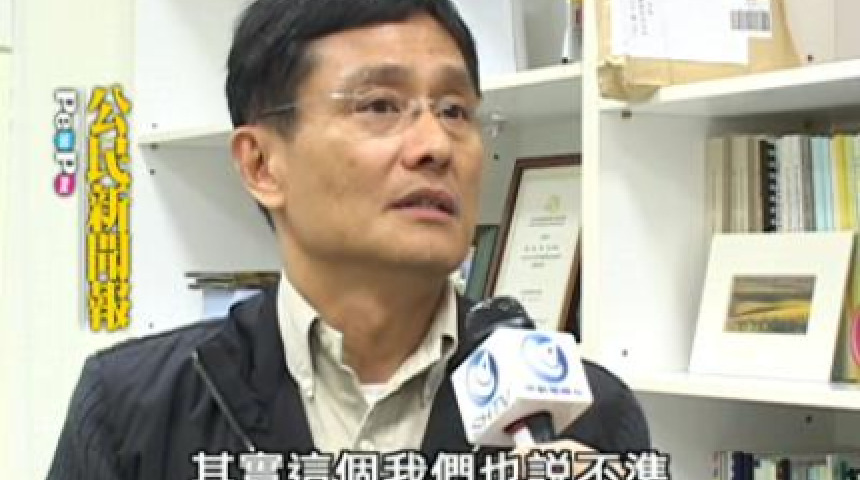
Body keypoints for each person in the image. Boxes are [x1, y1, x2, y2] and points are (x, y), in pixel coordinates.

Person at [47, 0, 650, 478]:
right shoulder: (133, 408)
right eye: (380, 105)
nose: (435, 146)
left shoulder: (592, 417)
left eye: (454, 110)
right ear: (261, 164)